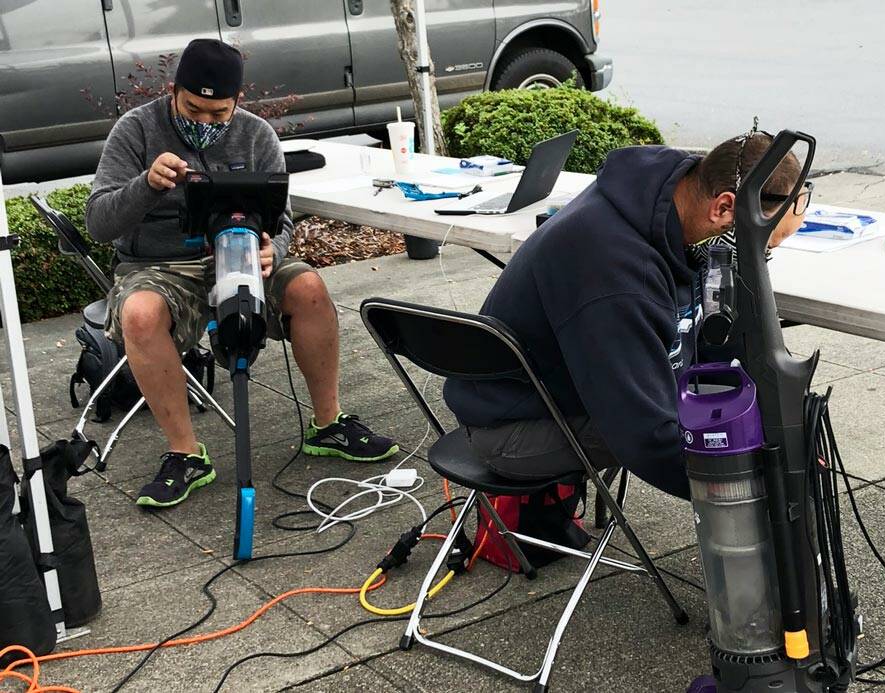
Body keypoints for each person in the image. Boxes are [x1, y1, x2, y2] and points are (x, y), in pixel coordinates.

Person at [86, 39, 398, 509]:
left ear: (237, 103)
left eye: (219, 114)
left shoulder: (255, 136)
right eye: (193, 109)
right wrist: (146, 185)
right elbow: (98, 223)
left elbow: (284, 220)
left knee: (309, 287)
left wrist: (276, 248)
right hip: (160, 265)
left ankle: (329, 424)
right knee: (139, 314)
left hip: (245, 250)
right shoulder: (135, 130)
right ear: (174, 91)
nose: (205, 122)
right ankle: (186, 454)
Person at [443, 132, 809, 497]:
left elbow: (705, 345)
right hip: (509, 429)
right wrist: (750, 489)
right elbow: (643, 433)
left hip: (566, 393)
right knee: (723, 442)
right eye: (760, 244)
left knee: (736, 417)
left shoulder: (668, 198)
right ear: (724, 208)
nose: (755, 257)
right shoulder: (614, 273)